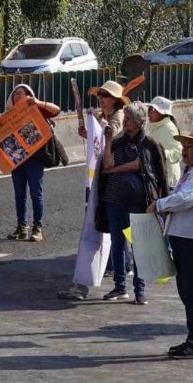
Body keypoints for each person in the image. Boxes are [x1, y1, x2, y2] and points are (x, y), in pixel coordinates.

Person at [148, 130, 193, 359]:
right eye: (185, 146)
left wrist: (160, 204)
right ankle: (192, 337)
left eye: (190, 147)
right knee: (186, 290)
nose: (184, 151)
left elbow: (187, 198)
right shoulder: (190, 171)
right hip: (182, 236)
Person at [59, 81, 127, 300]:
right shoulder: (105, 116)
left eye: (105, 96)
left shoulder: (118, 117)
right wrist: (91, 132)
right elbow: (99, 139)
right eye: (100, 95)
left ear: (115, 99)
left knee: (101, 231)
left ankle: (91, 282)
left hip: (112, 183)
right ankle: (118, 277)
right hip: (103, 181)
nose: (101, 99)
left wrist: (101, 130)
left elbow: (112, 133)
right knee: (109, 232)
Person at [98, 103, 168, 304]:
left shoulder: (149, 144)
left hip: (138, 203)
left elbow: (146, 167)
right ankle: (120, 287)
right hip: (113, 199)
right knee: (118, 245)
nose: (125, 121)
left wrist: (162, 203)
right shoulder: (118, 141)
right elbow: (107, 164)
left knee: (139, 247)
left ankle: (140, 290)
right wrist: (109, 140)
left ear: (138, 122)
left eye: (128, 119)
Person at [0, 84, 60, 242]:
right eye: (15, 94)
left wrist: (38, 102)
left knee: (36, 193)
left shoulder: (35, 108)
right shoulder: (5, 116)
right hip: (17, 160)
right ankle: (21, 228)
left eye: (21, 93)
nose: (17, 97)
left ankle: (37, 228)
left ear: (29, 95)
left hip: (34, 159)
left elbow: (56, 110)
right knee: (19, 195)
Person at [147, 96, 182, 184]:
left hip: (169, 180)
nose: (149, 112)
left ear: (161, 112)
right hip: (158, 176)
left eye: (152, 109)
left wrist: (161, 153)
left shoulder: (169, 127)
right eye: (149, 108)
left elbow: (179, 153)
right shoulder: (153, 126)